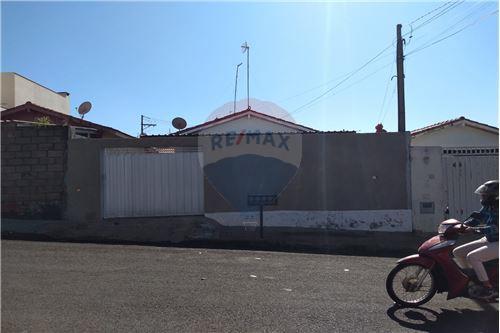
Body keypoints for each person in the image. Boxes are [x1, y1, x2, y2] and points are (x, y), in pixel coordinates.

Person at [452, 180, 499, 299]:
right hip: (490, 239)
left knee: (472, 256)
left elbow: (495, 228)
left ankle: (489, 288)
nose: (482, 197)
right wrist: (461, 225)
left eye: (485, 195)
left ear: (494, 196)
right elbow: (478, 217)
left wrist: (474, 230)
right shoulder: (489, 207)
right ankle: (472, 278)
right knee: (457, 252)